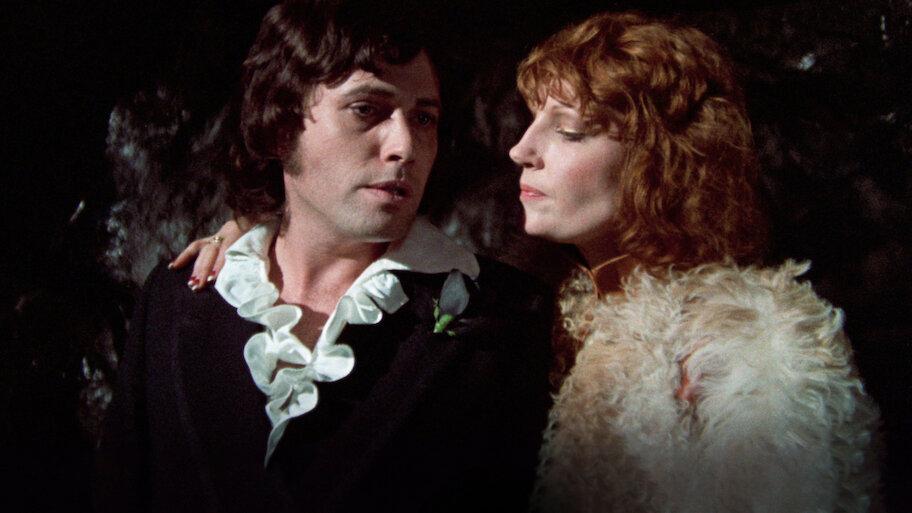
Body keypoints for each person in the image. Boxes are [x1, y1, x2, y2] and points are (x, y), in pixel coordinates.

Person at [182, 9, 883, 513]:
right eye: (533, 119)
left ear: (661, 160)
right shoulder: (562, 312)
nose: (522, 148)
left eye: (568, 130)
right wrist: (256, 237)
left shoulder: (752, 338)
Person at [94, 1, 553, 511]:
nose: (405, 145)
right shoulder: (175, 299)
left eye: (424, 117)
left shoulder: (508, 318)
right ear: (281, 126)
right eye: (366, 110)